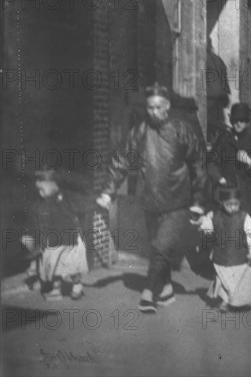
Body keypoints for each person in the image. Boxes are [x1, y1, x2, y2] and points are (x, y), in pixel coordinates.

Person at [97, 82, 208, 313]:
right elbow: (121, 161)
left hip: (178, 201)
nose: (153, 112)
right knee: (159, 249)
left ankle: (148, 292)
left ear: (167, 107)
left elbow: (198, 164)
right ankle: (166, 290)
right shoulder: (140, 131)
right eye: (150, 108)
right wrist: (108, 192)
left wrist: (198, 201)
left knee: (160, 247)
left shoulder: (181, 129)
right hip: (150, 201)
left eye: (158, 107)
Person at [21, 169, 90, 301]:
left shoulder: (64, 198)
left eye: (42, 189)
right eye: (38, 190)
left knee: (72, 267)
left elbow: (80, 206)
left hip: (69, 239)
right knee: (53, 267)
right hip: (52, 241)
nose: (40, 193)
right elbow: (33, 220)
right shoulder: (38, 204)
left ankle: (77, 286)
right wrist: (29, 235)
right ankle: (55, 289)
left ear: (53, 185)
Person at [193, 183, 251, 312]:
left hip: (239, 256)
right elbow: (207, 228)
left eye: (235, 204)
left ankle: (229, 302)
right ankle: (225, 302)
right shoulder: (214, 215)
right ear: (221, 203)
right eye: (228, 204)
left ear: (239, 203)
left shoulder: (244, 217)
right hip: (221, 255)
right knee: (224, 280)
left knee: (237, 282)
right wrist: (202, 222)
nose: (232, 208)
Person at [207, 102, 251, 220]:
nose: (238, 123)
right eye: (235, 120)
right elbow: (211, 162)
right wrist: (220, 179)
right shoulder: (224, 140)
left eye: (241, 120)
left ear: (247, 121)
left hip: (246, 196)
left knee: (244, 231)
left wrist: (250, 161)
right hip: (227, 192)